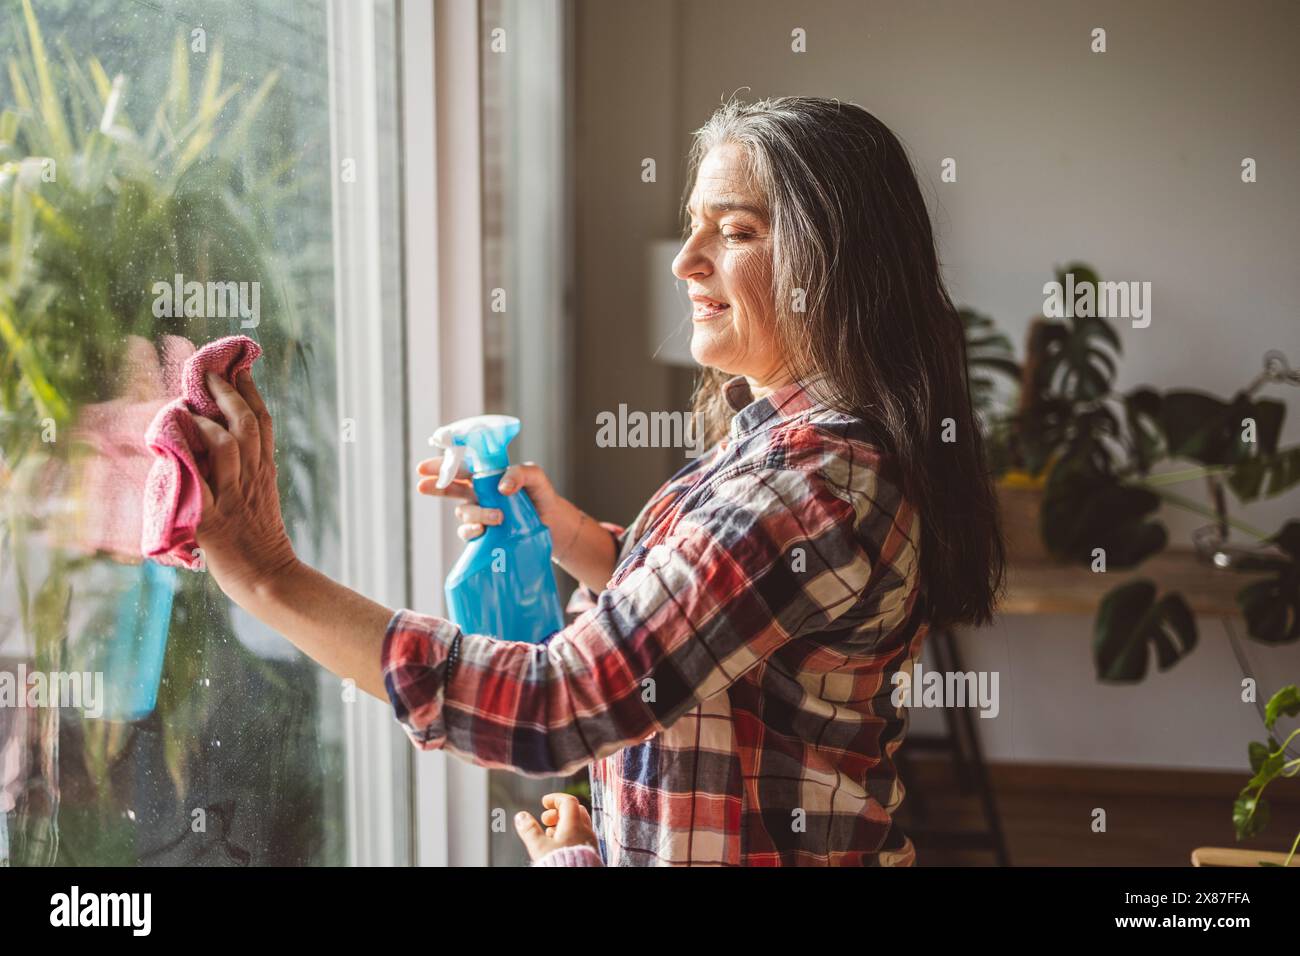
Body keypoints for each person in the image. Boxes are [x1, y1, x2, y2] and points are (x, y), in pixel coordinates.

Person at [189, 95, 1004, 866]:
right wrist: (567, 534)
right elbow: (730, 624)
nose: (687, 261)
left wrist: (267, 576)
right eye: (695, 227)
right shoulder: (789, 454)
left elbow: (557, 706)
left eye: (738, 231)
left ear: (836, 265)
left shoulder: (813, 485)